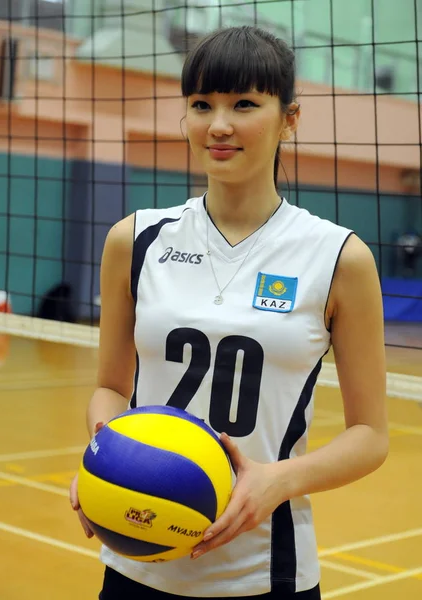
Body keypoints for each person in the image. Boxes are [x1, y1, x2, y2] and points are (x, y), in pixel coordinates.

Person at [70, 25, 388, 600]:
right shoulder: (134, 240)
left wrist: (276, 480)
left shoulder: (338, 256)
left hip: (267, 571)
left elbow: (369, 436)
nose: (218, 124)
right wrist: (104, 456)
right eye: (201, 105)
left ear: (289, 117)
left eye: (244, 103)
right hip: (138, 564)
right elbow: (110, 389)